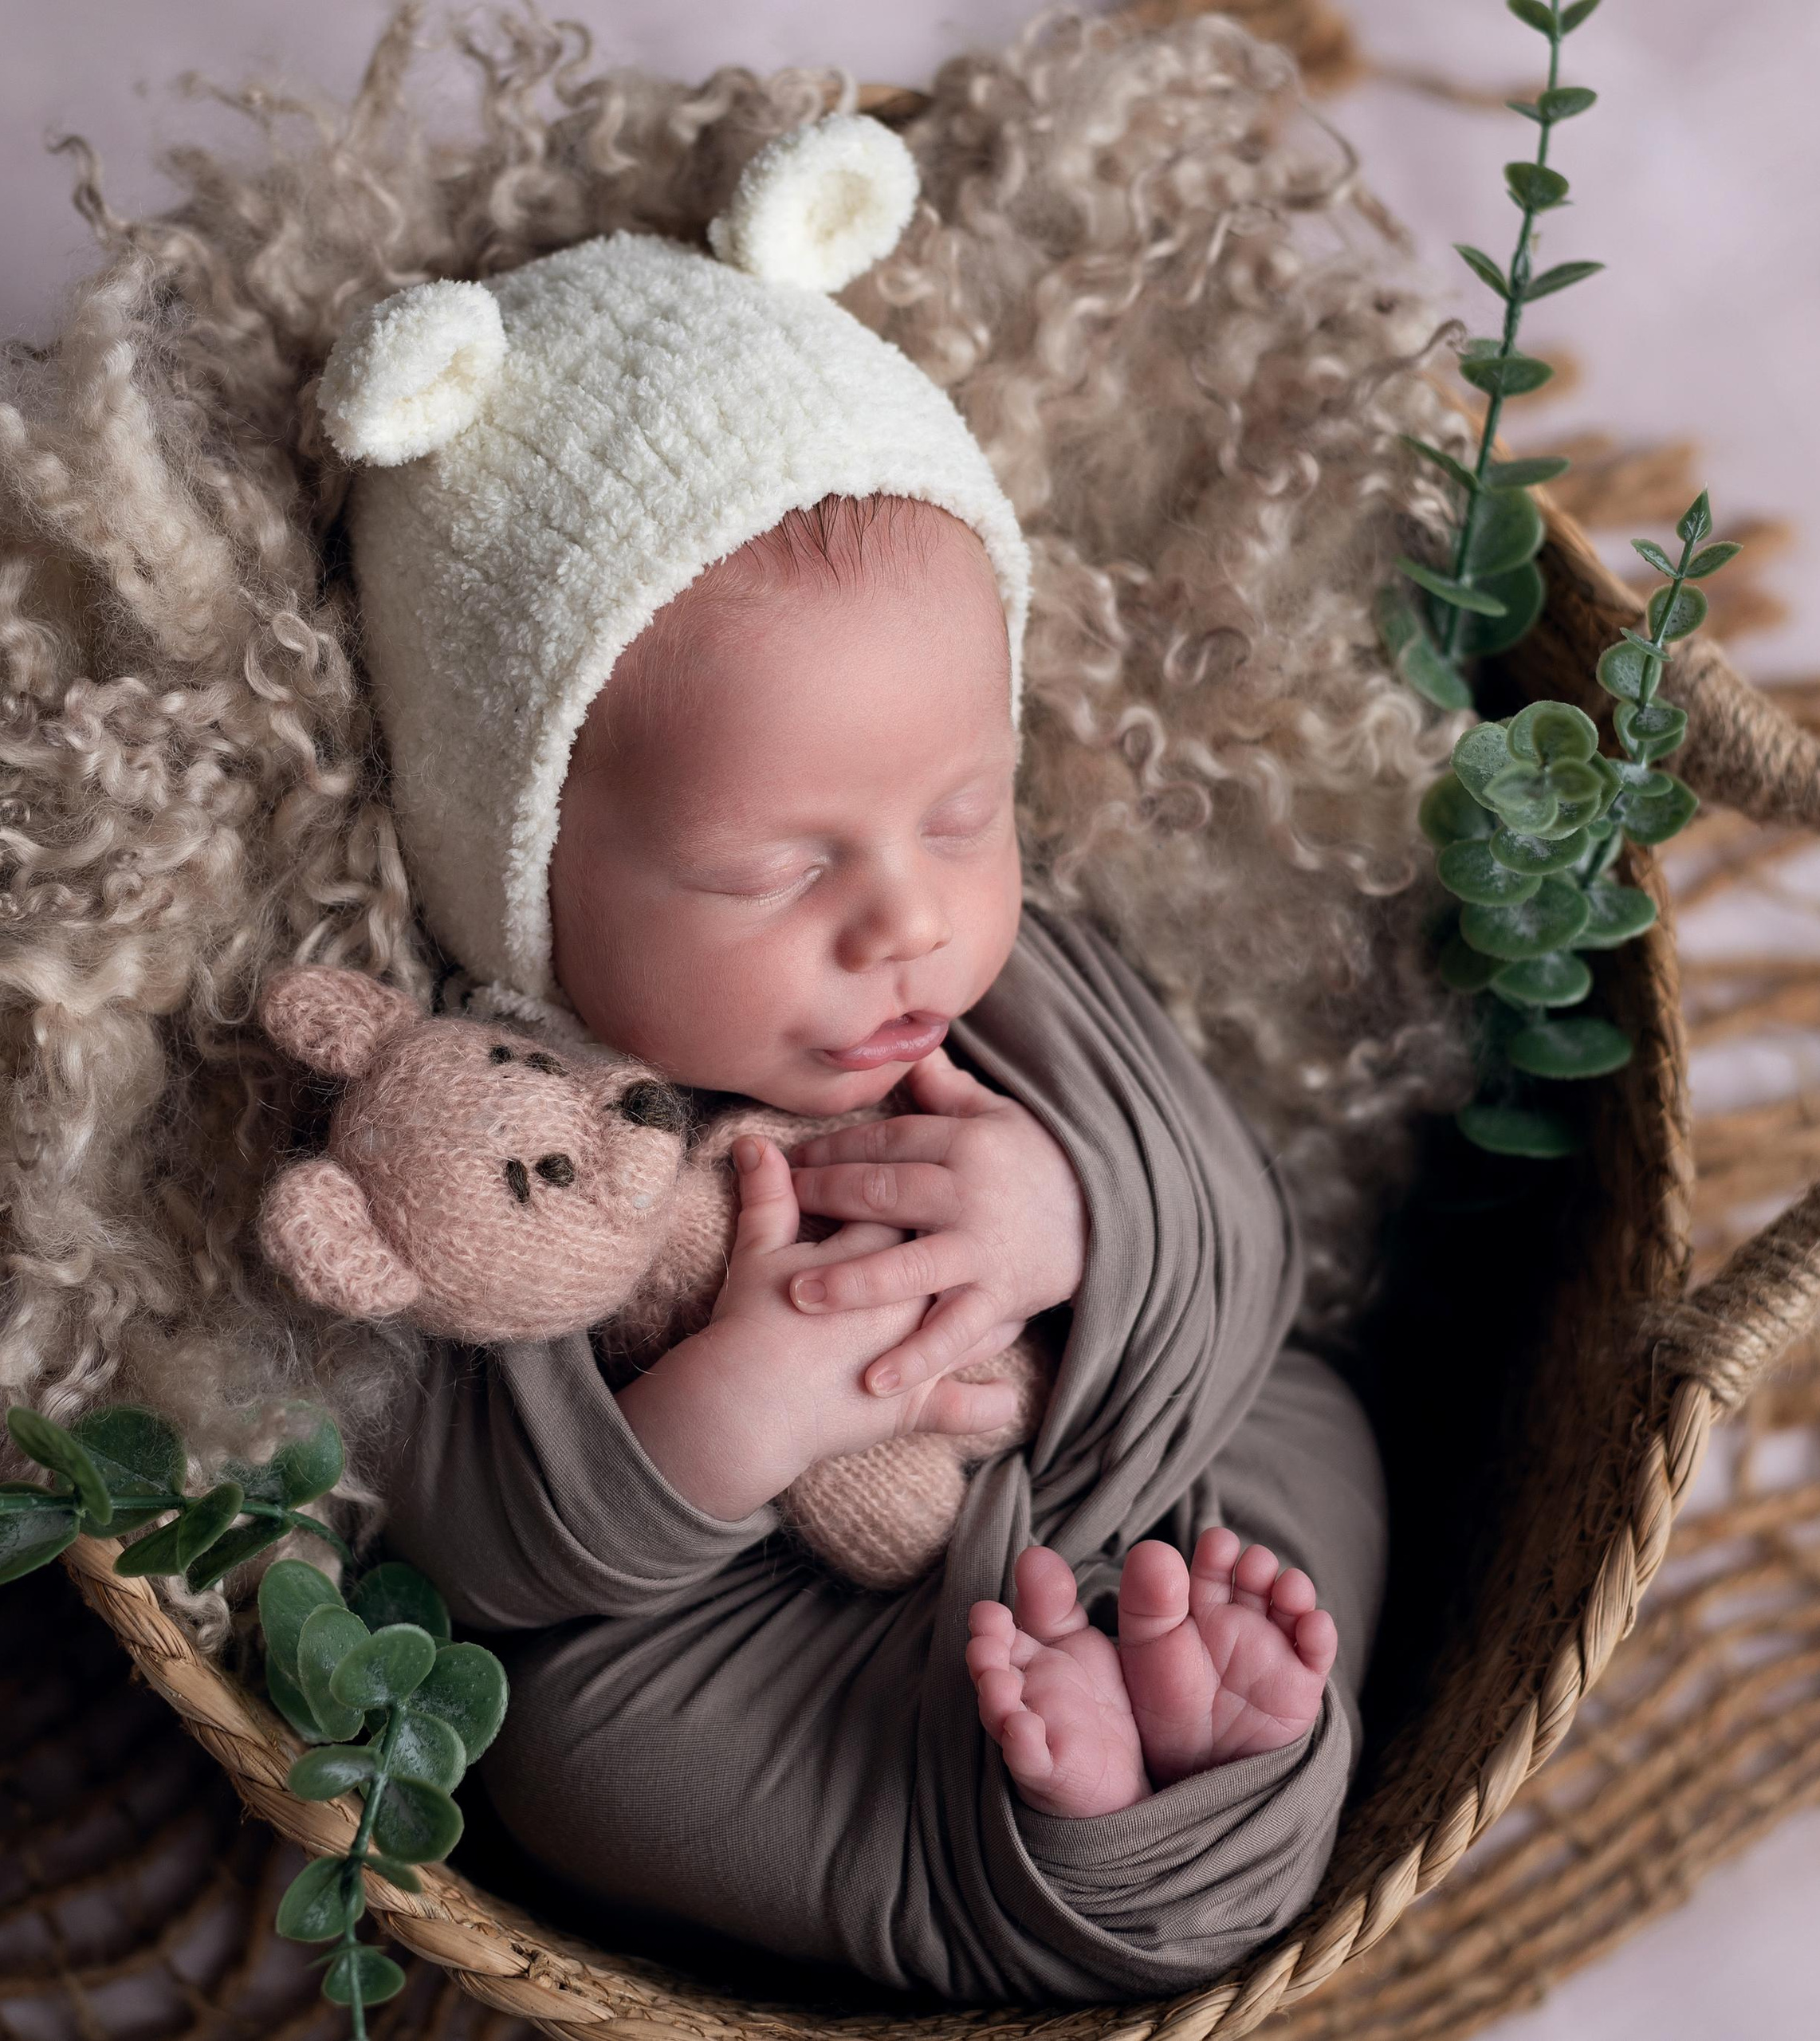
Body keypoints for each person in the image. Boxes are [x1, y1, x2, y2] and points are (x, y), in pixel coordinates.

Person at [336, 115, 1388, 2000]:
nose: (904, 920)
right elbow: (471, 1548)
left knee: (1313, 1429)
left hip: (1122, 1474)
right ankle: (1082, 1825)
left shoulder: (1013, 997)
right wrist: (729, 1413)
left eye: (964, 813)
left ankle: (1182, 1755)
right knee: (577, 1750)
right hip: (776, 1643)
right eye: (774, 866)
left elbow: (1241, 1236)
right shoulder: (492, 1121)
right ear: (520, 873)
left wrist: (1077, 1212)